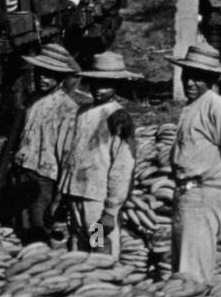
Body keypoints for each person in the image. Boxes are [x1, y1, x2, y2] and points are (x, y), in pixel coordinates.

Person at [162, 40, 221, 283]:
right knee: (183, 265)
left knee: (193, 272)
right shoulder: (192, 107)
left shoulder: (219, 109)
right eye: (187, 75)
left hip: (203, 195)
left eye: (198, 77)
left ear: (213, 79)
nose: (190, 83)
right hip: (186, 194)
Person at [58, 51, 141, 256]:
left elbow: (122, 168)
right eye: (96, 83)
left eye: (106, 84)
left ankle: (105, 281)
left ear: (117, 87)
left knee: (99, 245)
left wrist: (111, 210)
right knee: (78, 245)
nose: (99, 89)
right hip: (76, 192)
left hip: (97, 199)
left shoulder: (118, 117)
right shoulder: (82, 111)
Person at [11, 43, 87, 243]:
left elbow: (67, 154)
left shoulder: (67, 108)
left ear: (61, 78)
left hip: (45, 176)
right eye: (40, 73)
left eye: (50, 75)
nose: (42, 79)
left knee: (41, 227)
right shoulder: (34, 99)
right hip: (25, 168)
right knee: (23, 224)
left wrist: (59, 196)